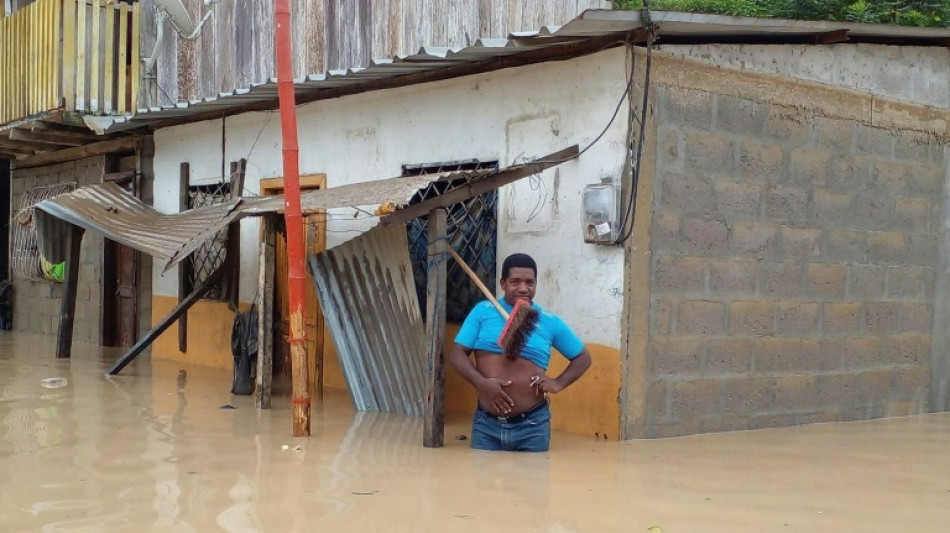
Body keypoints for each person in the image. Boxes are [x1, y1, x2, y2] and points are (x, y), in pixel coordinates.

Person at [448, 253, 591, 452]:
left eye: (529, 282)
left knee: (532, 482)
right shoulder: (483, 311)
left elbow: (583, 358)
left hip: (532, 426)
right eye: (515, 282)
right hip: (486, 424)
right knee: (480, 481)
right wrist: (481, 383)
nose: (523, 288)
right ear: (502, 283)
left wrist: (557, 383)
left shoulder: (548, 321)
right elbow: (456, 355)